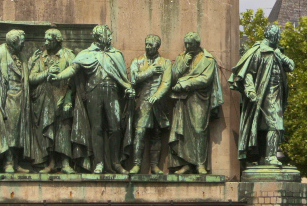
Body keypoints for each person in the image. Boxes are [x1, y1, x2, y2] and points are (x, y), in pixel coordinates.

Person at [52, 25, 134, 174]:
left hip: (112, 92)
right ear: (98, 36)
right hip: (93, 91)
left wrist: (128, 88)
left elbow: (123, 76)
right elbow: (73, 69)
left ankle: (115, 162)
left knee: (115, 128)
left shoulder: (116, 54)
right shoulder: (86, 53)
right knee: (96, 128)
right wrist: (58, 76)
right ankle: (99, 163)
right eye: (107, 35)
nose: (110, 37)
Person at [229, 24, 295, 167]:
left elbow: (291, 66)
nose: (279, 37)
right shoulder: (259, 51)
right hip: (264, 93)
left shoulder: (277, 51)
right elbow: (248, 74)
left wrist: (280, 55)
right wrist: (250, 91)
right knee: (274, 124)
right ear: (273, 36)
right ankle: (271, 156)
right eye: (278, 35)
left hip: (277, 94)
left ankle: (263, 157)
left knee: (263, 126)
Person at [0, 29, 36, 173]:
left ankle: (16, 162)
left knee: (19, 132)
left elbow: (26, 76)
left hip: (21, 97)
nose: (24, 45)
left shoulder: (22, 56)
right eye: (22, 42)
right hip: (6, 98)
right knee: (9, 131)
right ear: (14, 42)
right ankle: (8, 162)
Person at [168, 32, 223, 175]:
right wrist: (183, 63)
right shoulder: (181, 57)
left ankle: (200, 164)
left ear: (197, 44)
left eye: (190, 44)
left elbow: (205, 79)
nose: (187, 46)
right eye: (185, 43)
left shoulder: (208, 59)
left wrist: (185, 83)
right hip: (182, 99)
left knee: (199, 130)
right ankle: (186, 163)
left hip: (199, 99)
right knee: (181, 131)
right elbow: (172, 77)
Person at [28, 28, 77, 173]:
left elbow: (74, 80)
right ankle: (50, 163)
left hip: (62, 98)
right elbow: (31, 78)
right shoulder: (40, 57)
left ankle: (66, 163)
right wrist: (47, 72)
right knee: (48, 131)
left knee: (63, 130)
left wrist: (68, 99)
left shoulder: (68, 55)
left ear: (57, 40)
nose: (46, 42)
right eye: (45, 39)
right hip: (44, 100)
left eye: (49, 39)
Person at [127, 35, 172, 174]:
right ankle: (136, 164)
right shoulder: (138, 61)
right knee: (139, 132)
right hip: (142, 102)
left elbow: (166, 82)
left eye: (150, 45)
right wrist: (149, 71)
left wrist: (157, 95)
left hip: (158, 103)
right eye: (146, 44)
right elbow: (133, 79)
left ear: (157, 46)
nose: (147, 47)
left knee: (156, 134)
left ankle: (154, 165)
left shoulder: (165, 63)